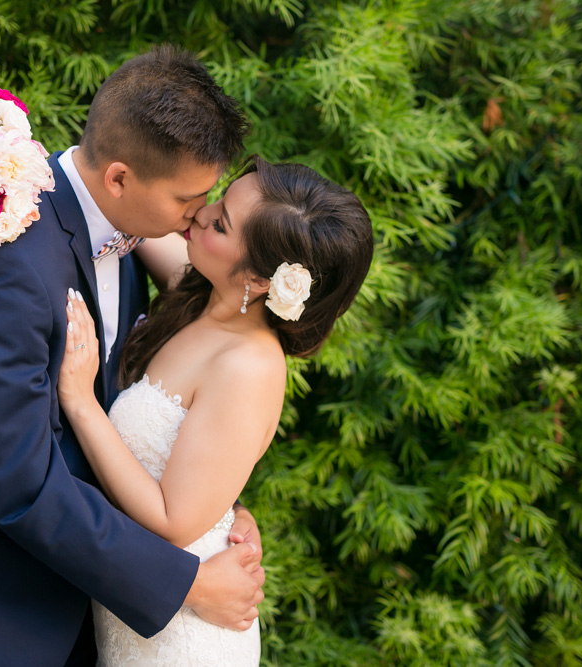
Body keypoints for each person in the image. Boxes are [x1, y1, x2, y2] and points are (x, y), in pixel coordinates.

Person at [0, 46, 266, 666]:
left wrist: (213, 510)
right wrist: (186, 582)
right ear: (120, 178)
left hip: (76, 601)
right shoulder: (2, 258)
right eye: (188, 198)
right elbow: (15, 478)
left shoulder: (130, 233)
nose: (199, 213)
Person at [58, 155, 374, 665]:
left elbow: (172, 520)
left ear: (259, 280)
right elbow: (125, 209)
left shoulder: (249, 367)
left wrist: (81, 402)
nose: (201, 213)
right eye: (220, 199)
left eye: (221, 223)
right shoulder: (199, 294)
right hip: (140, 606)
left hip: (182, 635)